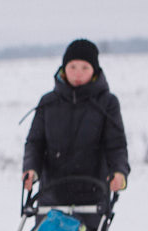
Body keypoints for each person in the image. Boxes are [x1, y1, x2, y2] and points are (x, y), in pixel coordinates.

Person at [22, 38, 130, 205]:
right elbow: (35, 143)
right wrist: (31, 169)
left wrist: (119, 173)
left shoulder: (107, 103)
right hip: (51, 196)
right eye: (73, 67)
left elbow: (116, 146)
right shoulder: (48, 102)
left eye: (84, 67)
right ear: (64, 69)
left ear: (94, 71)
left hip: (93, 197)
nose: (78, 73)